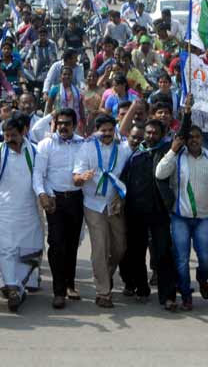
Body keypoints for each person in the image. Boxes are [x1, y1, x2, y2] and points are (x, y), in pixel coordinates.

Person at [155, 100, 208, 311]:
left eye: (197, 137)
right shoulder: (178, 158)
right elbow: (160, 173)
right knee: (182, 259)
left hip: (203, 218)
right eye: (190, 137)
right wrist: (172, 151)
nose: (193, 140)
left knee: (205, 258)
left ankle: (203, 279)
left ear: (202, 139)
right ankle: (186, 294)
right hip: (180, 217)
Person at [0, 114, 44, 311]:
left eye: (13, 135)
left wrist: (45, 195)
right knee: (5, 249)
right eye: (6, 135)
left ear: (23, 132)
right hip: (3, 209)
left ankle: (16, 285)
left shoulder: (34, 151)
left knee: (29, 249)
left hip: (27, 210)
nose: (9, 139)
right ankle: (12, 287)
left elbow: (38, 178)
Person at [73, 114, 130, 308]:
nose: (106, 134)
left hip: (115, 204)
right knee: (100, 247)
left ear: (114, 130)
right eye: (102, 130)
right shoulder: (87, 148)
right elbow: (76, 177)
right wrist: (82, 177)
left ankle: (106, 273)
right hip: (93, 203)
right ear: (97, 131)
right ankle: (103, 292)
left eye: (109, 130)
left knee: (120, 246)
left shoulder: (123, 149)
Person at [120, 119, 178, 309]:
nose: (151, 136)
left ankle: (168, 296)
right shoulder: (134, 155)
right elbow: (122, 181)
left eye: (155, 133)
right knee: (136, 254)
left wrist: (185, 112)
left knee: (163, 254)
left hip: (159, 213)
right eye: (149, 132)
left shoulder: (166, 152)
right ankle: (141, 289)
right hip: (135, 213)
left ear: (162, 135)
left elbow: (183, 136)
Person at [32, 109, 85, 308]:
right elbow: (39, 174)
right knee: (56, 244)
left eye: (68, 123)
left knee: (71, 244)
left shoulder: (83, 144)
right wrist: (43, 194)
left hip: (77, 199)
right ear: (55, 123)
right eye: (60, 123)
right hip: (54, 200)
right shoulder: (46, 144)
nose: (63, 126)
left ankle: (70, 283)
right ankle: (58, 290)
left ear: (75, 125)